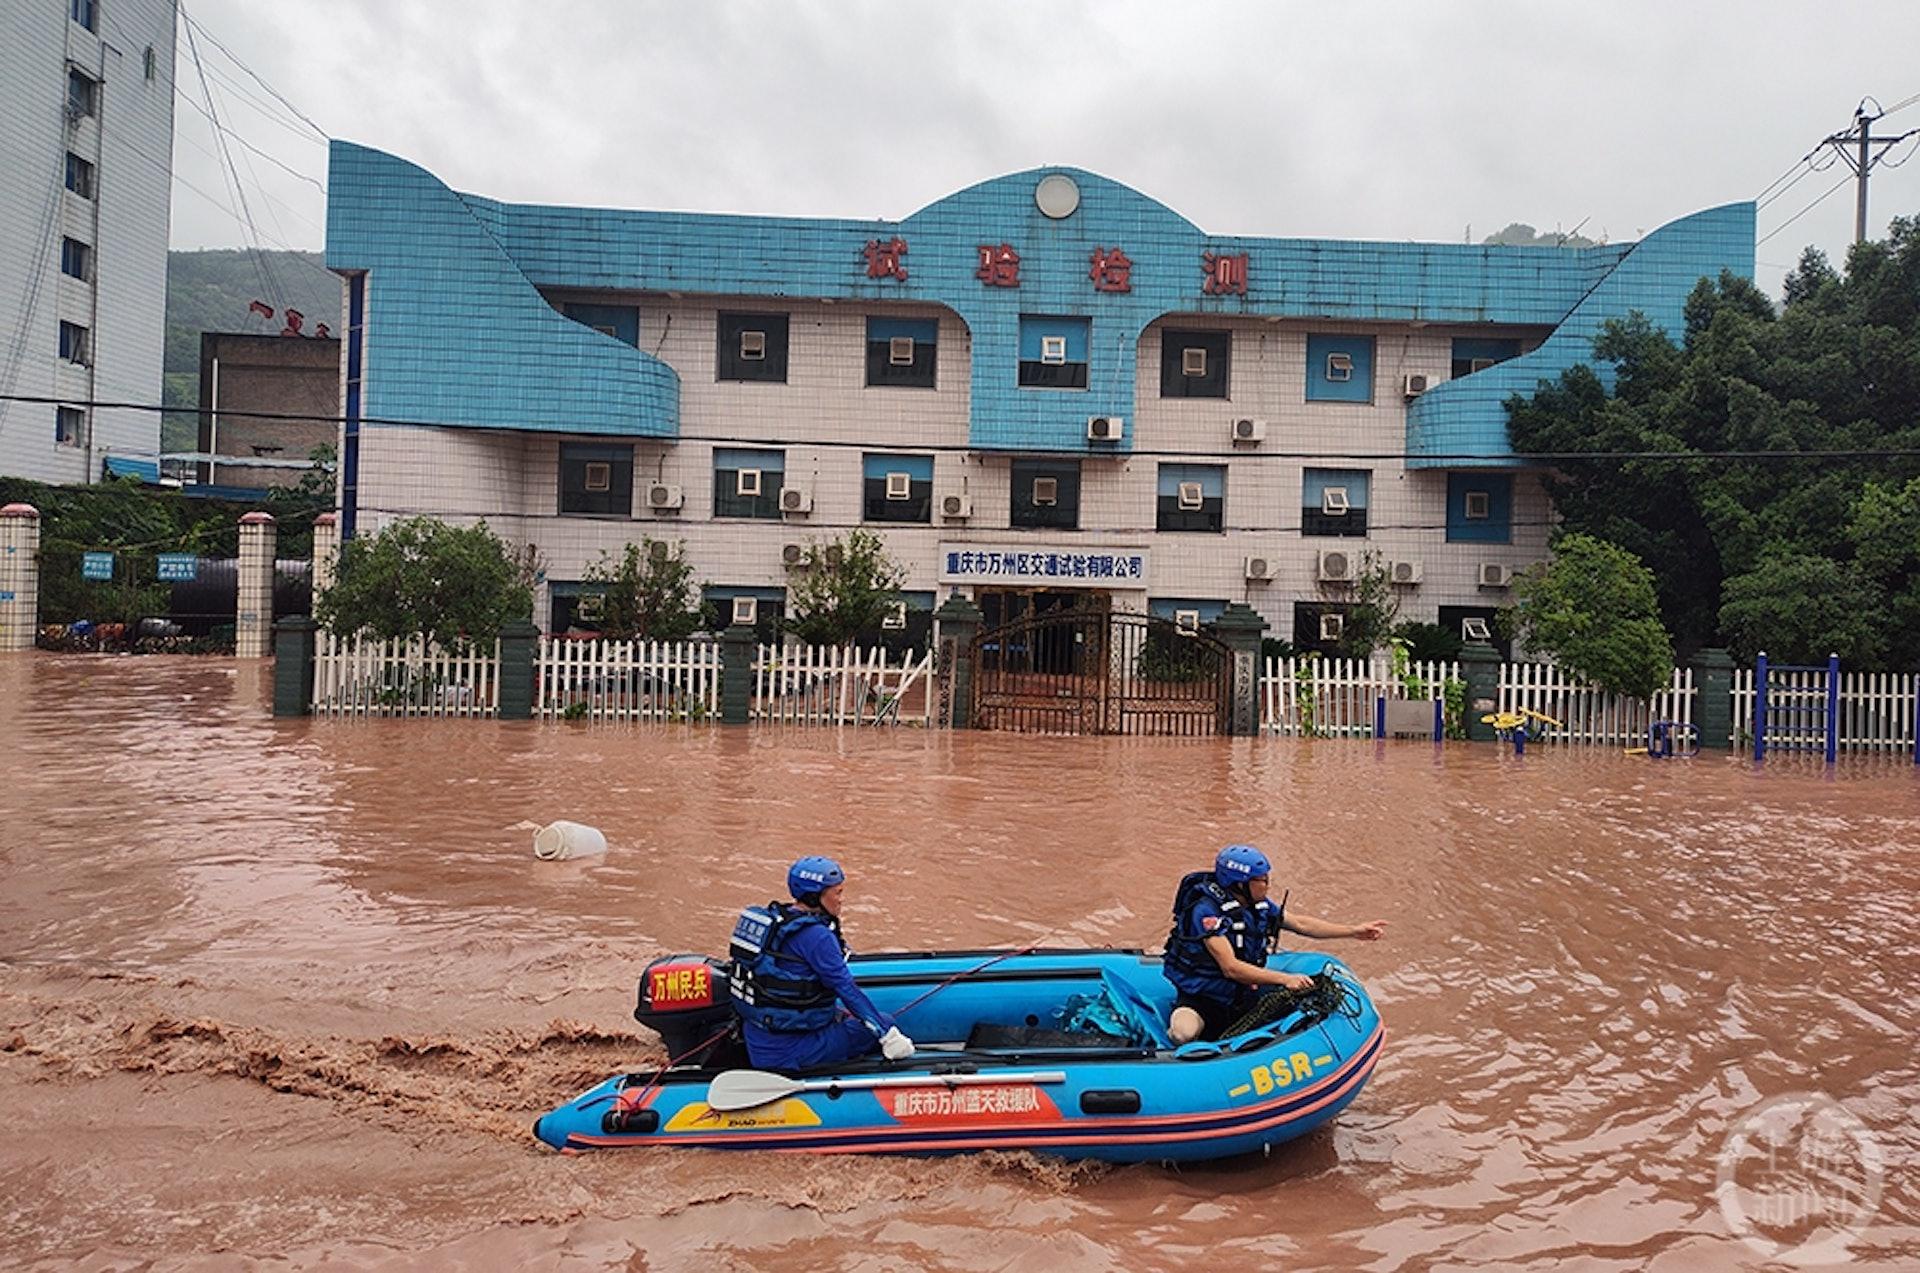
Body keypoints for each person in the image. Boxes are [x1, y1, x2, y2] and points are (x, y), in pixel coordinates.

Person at [1162, 844, 1387, 1044]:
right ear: (1240, 884)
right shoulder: (1206, 912)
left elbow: (1300, 923)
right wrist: (1286, 979)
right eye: (1262, 880)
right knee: (1183, 1033)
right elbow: (1230, 968)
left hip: (1245, 993)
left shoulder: (1256, 905)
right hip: (1204, 998)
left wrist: (1353, 931)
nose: (1267, 885)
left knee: (1305, 1004)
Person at [727, 855, 915, 1072]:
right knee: (885, 1021)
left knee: (841, 1016)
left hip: (759, 1040)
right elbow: (845, 987)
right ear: (816, 897)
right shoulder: (817, 936)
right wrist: (887, 1035)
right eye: (837, 892)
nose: (841, 899)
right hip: (789, 1052)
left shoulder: (777, 921)